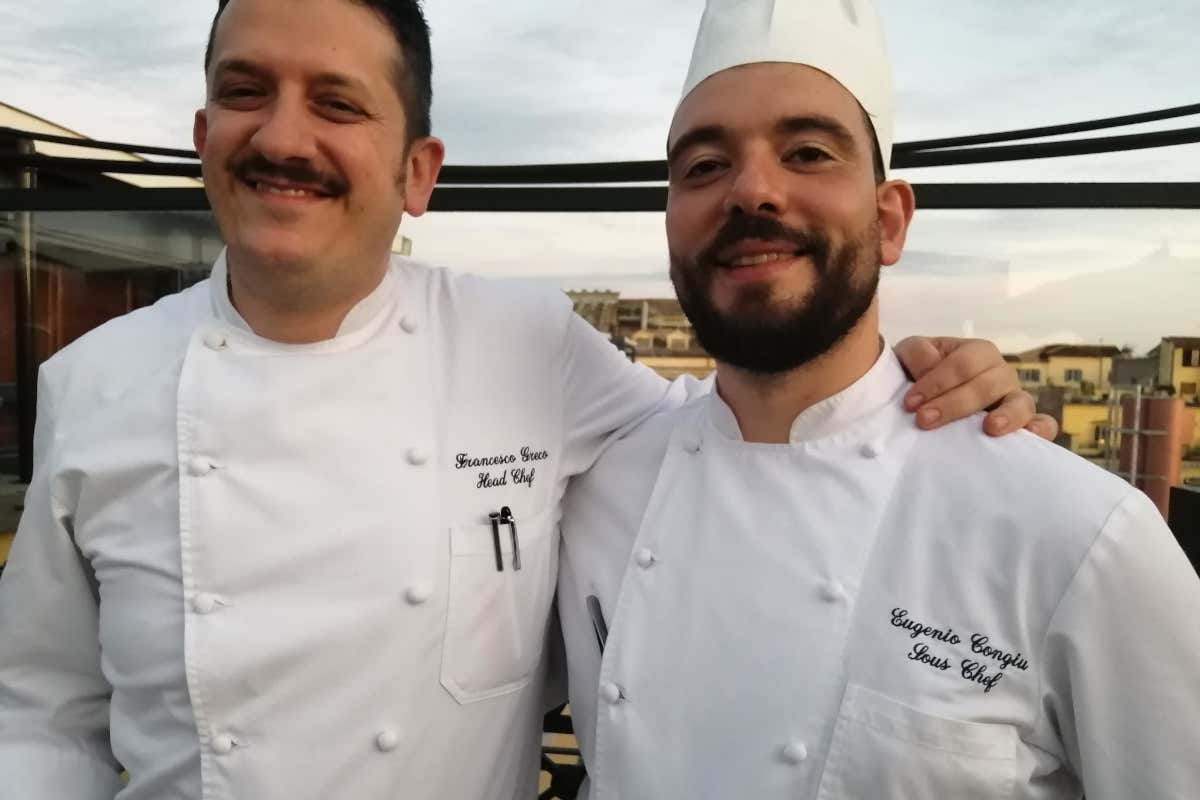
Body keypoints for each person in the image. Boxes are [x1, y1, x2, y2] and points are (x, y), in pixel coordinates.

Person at [0, 1, 1051, 798]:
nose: (282, 138)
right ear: (201, 135)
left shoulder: (528, 342)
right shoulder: (90, 385)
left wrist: (912, 397)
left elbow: (735, 437)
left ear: (418, 172)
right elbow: (39, 713)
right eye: (245, 91)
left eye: (337, 103)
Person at [557, 1, 1200, 798]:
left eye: (808, 152)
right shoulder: (601, 485)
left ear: (890, 221)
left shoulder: (1078, 533)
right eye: (704, 166)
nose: (751, 190)